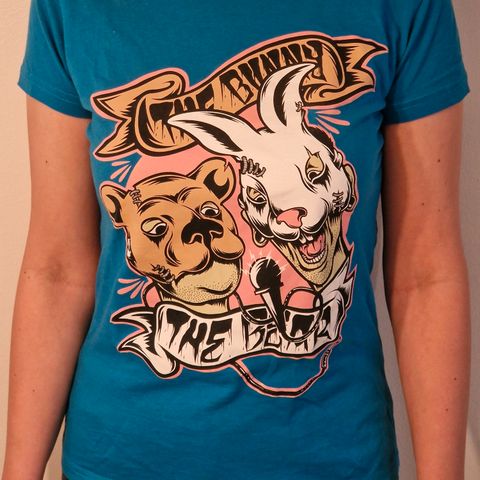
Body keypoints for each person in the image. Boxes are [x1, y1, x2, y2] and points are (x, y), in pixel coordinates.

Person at [2, 0, 471, 478]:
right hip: (120, 457)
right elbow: (57, 271)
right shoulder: (73, 8)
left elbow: (425, 274)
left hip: (332, 456)